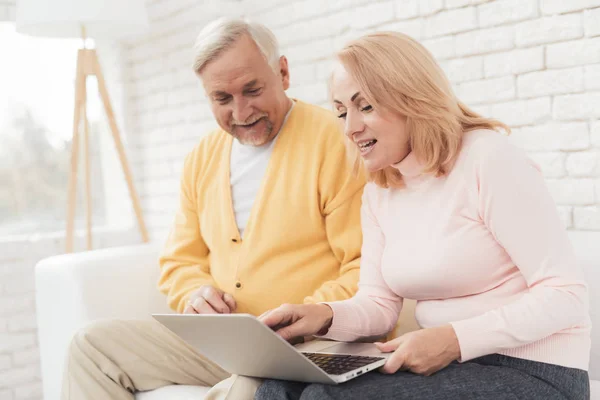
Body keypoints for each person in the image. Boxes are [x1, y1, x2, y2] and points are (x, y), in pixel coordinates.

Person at [256, 31, 591, 400]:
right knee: (277, 384)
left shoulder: (488, 158)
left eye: (364, 106)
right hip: (450, 365)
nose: (349, 128)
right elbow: (379, 306)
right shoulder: (380, 191)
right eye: (340, 111)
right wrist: (323, 315)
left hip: (535, 373)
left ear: (411, 98)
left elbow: (566, 294)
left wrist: (455, 339)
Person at [60, 18, 365, 400]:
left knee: (250, 386)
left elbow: (363, 264)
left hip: (308, 345)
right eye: (222, 99)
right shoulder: (202, 158)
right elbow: (178, 262)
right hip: (223, 346)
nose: (240, 112)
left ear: (283, 73)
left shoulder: (336, 141)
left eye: (251, 90)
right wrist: (194, 292)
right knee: (91, 347)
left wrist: (306, 314)